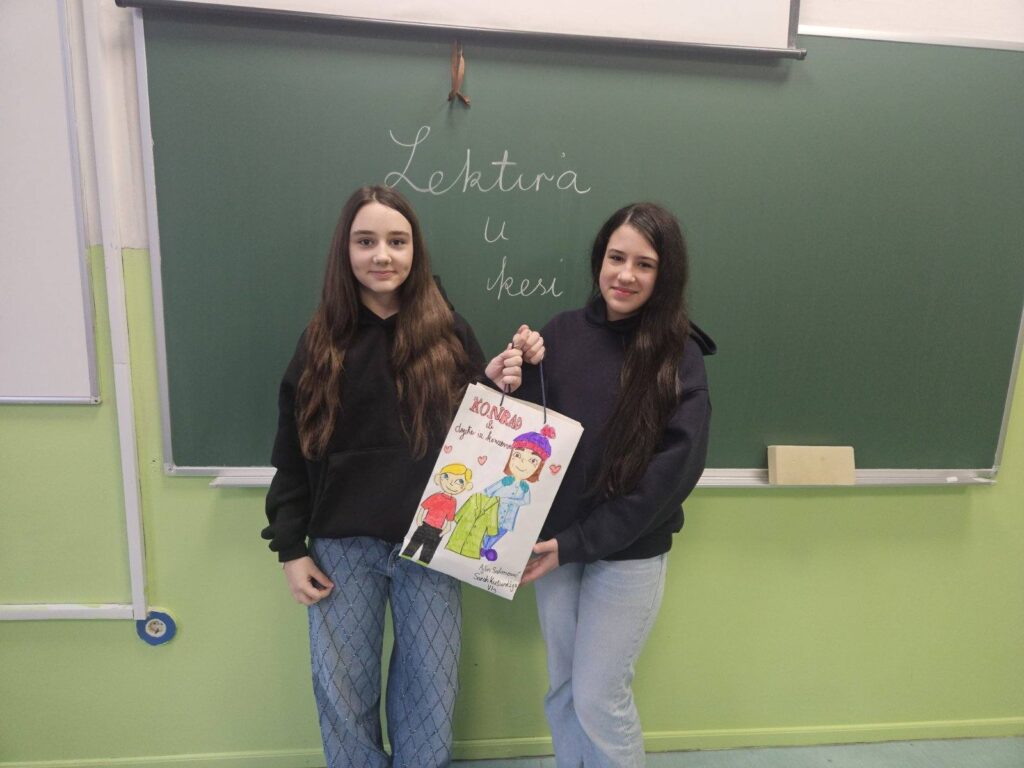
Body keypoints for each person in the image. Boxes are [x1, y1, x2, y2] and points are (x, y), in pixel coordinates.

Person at [261, 185, 543, 768]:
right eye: (366, 242)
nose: (382, 255)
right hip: (342, 547)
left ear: (416, 251)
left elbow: (475, 439)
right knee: (343, 688)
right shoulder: (321, 342)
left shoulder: (448, 332)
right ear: (345, 252)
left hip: (432, 544)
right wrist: (290, 546)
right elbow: (292, 451)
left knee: (431, 690)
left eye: (397, 241)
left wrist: (492, 385)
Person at [519, 202, 715, 767]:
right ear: (599, 260)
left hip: (627, 553)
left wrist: (576, 543)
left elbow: (668, 479)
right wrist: (514, 376)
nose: (625, 275)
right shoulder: (559, 333)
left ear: (665, 274)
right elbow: (531, 436)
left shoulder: (680, 356)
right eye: (615, 258)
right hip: (553, 548)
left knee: (599, 697)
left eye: (644, 264)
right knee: (564, 688)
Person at [479, 426, 556, 561]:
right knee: (489, 529)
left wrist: (510, 501)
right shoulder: (505, 481)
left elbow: (526, 501)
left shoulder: (525, 487)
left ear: (539, 467)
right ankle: (483, 546)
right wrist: (488, 498)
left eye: (532, 461)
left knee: (500, 532)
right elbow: (488, 491)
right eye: (517, 455)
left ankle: (487, 548)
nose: (522, 463)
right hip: (494, 512)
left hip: (508, 518)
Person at [402, 463, 473, 564]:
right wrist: (419, 519)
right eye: (446, 476)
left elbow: (450, 518)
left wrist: (445, 530)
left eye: (459, 481)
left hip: (437, 531)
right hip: (425, 525)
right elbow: (423, 507)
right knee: (411, 548)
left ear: (466, 486)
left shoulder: (453, 502)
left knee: (426, 556)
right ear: (439, 478)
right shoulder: (436, 496)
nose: (450, 483)